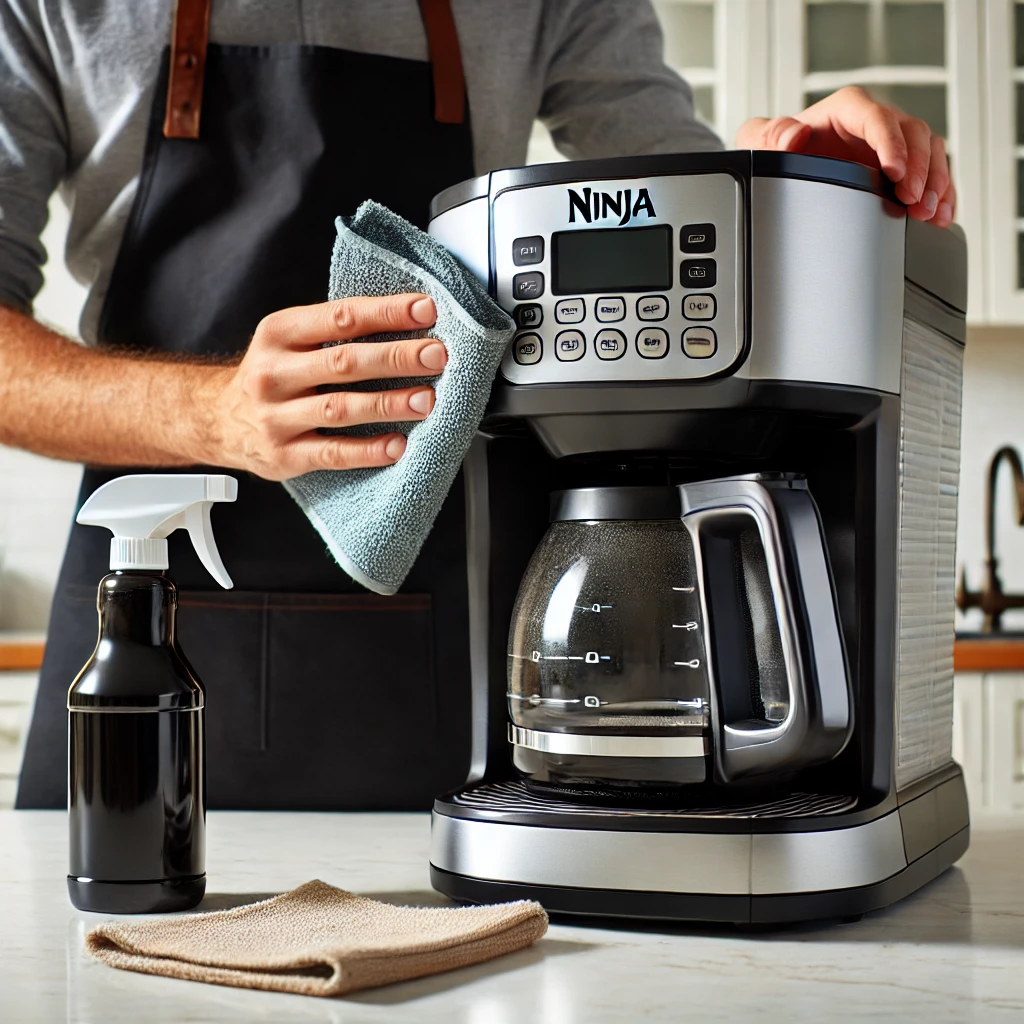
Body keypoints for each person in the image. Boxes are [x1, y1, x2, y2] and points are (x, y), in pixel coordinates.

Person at [2, 0, 955, 811]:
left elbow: (671, 202)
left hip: (437, 633)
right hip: (145, 617)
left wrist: (792, 179)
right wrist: (215, 417)